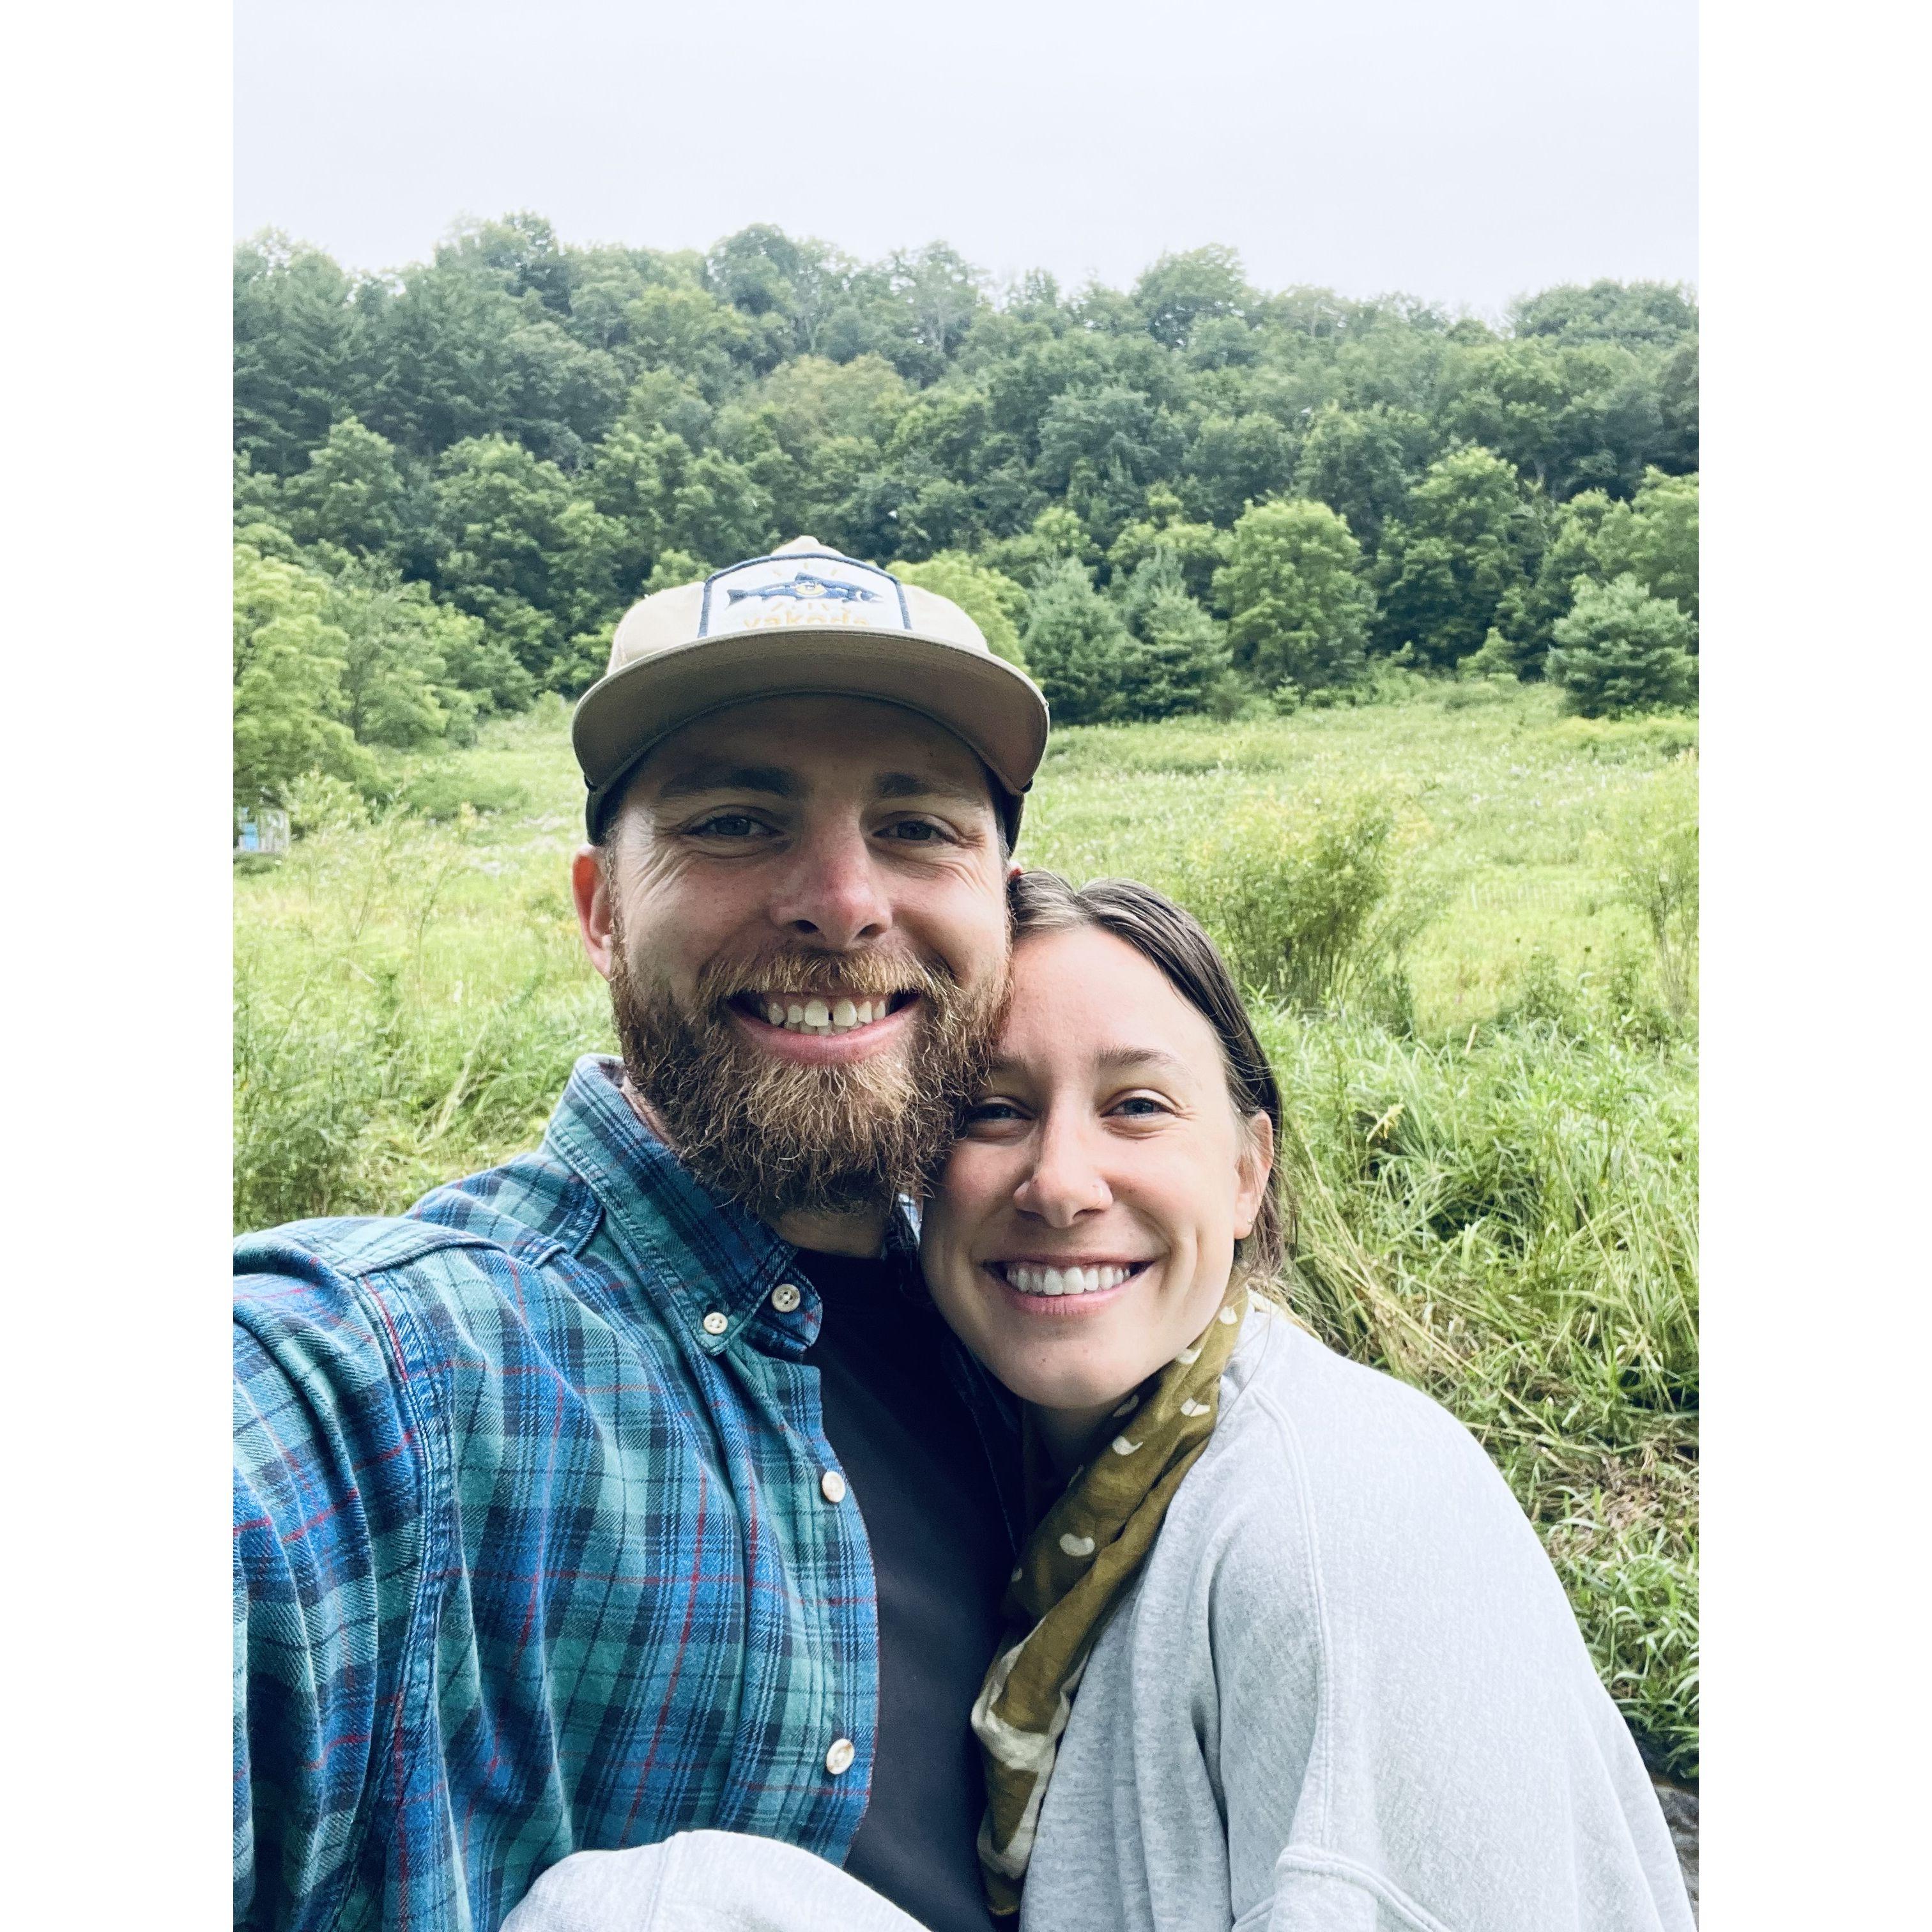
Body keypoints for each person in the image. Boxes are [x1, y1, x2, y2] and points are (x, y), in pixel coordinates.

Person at [507, 871, 1695, 1932]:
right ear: (916, 1177)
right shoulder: (1044, 1481)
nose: (1062, 1184)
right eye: (991, 1111)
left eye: (1137, 1107)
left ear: (1247, 1173)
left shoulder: (1345, 1525)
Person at [233, 537, 1050, 1932]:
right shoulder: (397, 1382)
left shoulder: (1047, 1320)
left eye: (918, 827)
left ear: (1004, 907)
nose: (843, 901)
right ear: (603, 913)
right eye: (734, 821)